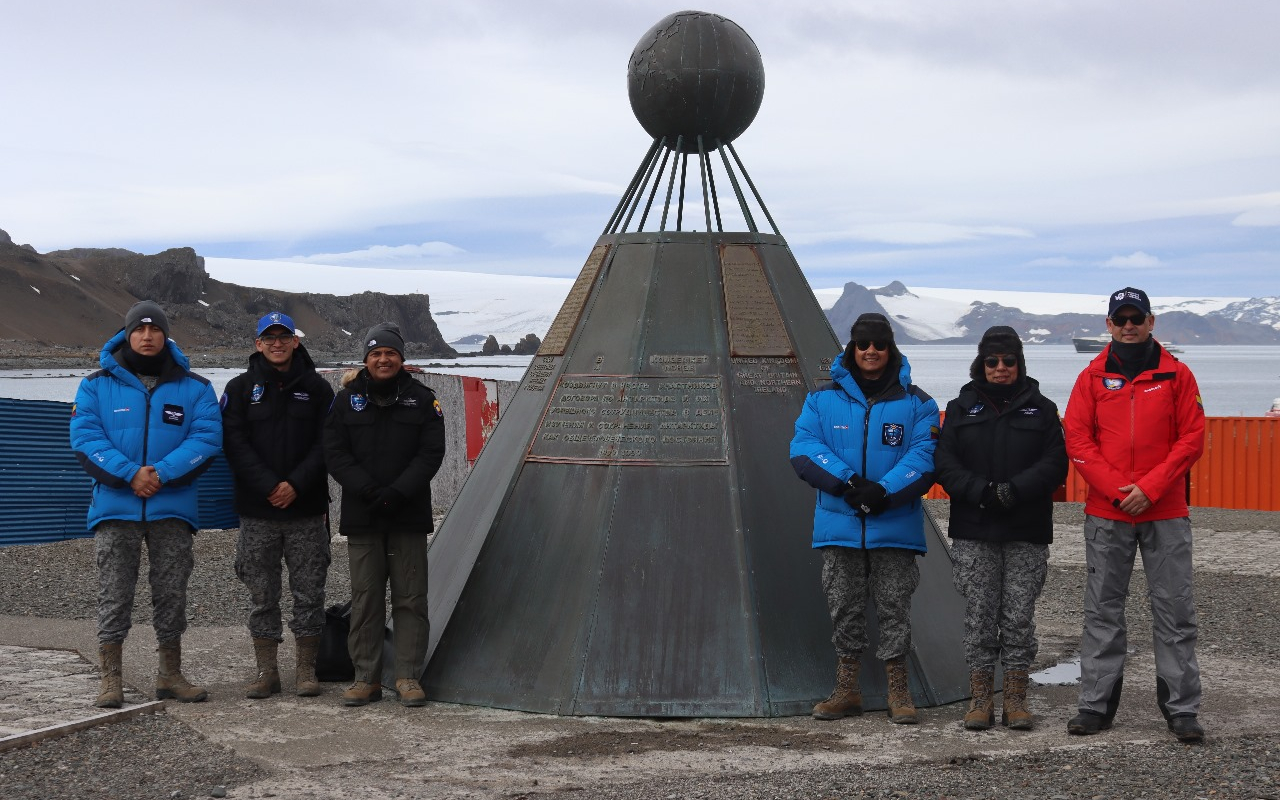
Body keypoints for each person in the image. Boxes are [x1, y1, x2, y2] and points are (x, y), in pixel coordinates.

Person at [1063, 287, 1207, 743]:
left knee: (1175, 610)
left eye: (1136, 317)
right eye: (1120, 318)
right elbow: (1078, 441)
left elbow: (1192, 438)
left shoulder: (1178, 376)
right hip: (1108, 513)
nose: (1129, 325)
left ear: (1151, 321)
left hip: (1165, 511)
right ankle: (1095, 705)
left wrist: (1150, 488)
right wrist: (1117, 490)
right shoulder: (1090, 378)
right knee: (1102, 610)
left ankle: (1182, 710)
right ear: (1109, 324)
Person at [69, 300, 222, 707]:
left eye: (156, 330)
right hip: (115, 510)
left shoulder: (196, 387)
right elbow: (85, 437)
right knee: (114, 593)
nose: (148, 336)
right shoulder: (96, 385)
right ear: (127, 334)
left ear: (166, 336)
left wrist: (160, 473)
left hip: (172, 510)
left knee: (171, 593)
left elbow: (206, 440)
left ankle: (170, 673)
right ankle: (110, 678)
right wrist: (130, 473)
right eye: (140, 329)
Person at [790, 312, 940, 724]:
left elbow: (924, 457)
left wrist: (883, 490)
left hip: (894, 524)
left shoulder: (918, 402)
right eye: (863, 344)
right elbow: (804, 447)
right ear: (852, 349)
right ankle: (847, 689)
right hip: (840, 523)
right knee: (844, 607)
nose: (871, 351)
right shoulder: (821, 399)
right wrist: (850, 483)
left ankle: (898, 690)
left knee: (895, 607)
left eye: (879, 344)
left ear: (890, 348)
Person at [934, 326, 1068, 731]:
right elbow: (944, 463)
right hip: (975, 529)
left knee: (1018, 617)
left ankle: (1015, 699)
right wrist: (982, 492)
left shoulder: (1042, 409)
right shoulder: (960, 408)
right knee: (978, 616)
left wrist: (1013, 491)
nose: (1001, 368)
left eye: (1009, 360)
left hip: (1025, 528)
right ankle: (980, 699)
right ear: (981, 363)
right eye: (992, 360)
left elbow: (1055, 464)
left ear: (1020, 362)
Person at [324, 322, 446, 708]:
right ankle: (366, 677)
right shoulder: (345, 401)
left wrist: (397, 492)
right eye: (375, 353)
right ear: (365, 359)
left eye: (390, 353)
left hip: (408, 514)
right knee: (366, 598)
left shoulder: (423, 400)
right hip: (363, 514)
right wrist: (369, 490)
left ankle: (408, 676)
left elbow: (431, 452)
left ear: (401, 358)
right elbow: (335, 452)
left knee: (411, 598)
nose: (383, 359)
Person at [221, 312, 336, 699]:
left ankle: (305, 670)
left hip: (306, 510)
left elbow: (327, 445)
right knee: (261, 593)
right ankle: (266, 670)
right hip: (257, 511)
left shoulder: (319, 390)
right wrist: (270, 485)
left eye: (283, 336)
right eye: (268, 337)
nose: (276, 343)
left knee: (309, 591)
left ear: (295, 341)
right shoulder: (238, 389)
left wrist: (295, 485)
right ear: (258, 344)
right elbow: (234, 444)